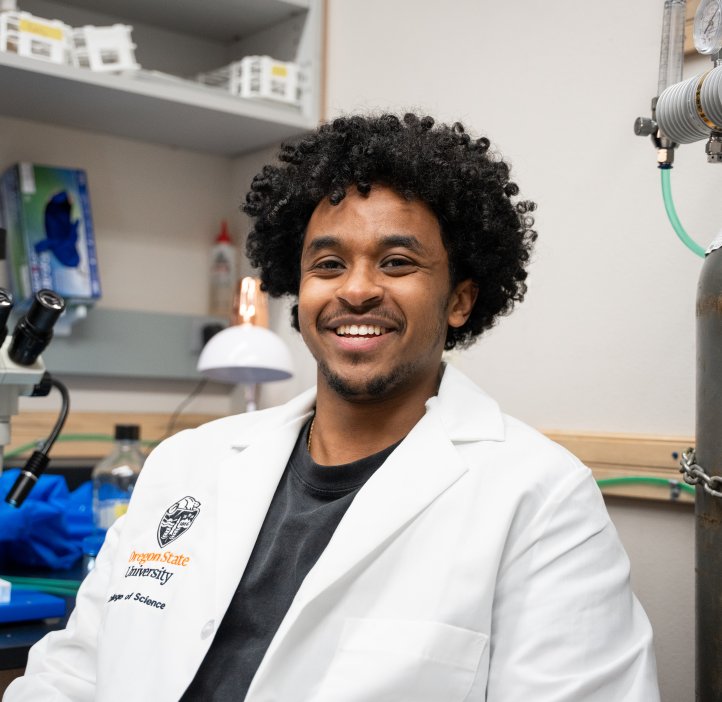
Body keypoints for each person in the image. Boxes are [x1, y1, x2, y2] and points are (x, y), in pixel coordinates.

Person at [5, 113, 660, 701]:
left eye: (398, 262)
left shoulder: (541, 500)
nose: (356, 290)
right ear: (299, 290)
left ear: (460, 300)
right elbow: (75, 671)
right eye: (327, 264)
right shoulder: (187, 462)